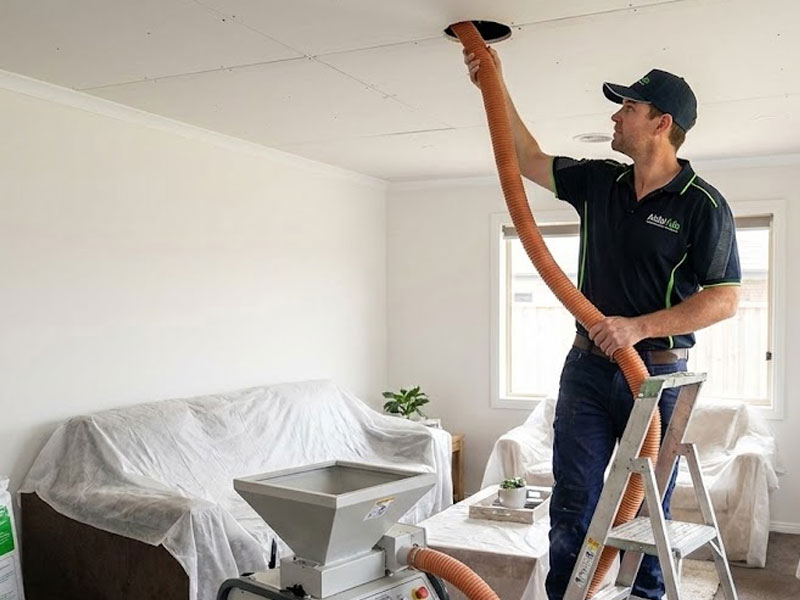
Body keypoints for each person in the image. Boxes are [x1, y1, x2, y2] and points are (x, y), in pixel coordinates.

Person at [465, 48, 741, 600]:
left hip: (656, 377)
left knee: (647, 510)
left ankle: (645, 596)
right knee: (573, 502)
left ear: (661, 123)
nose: (615, 116)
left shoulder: (702, 205)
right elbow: (525, 157)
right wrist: (492, 83)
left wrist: (636, 328)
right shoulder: (599, 182)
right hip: (588, 370)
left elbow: (725, 299)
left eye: (628, 108)